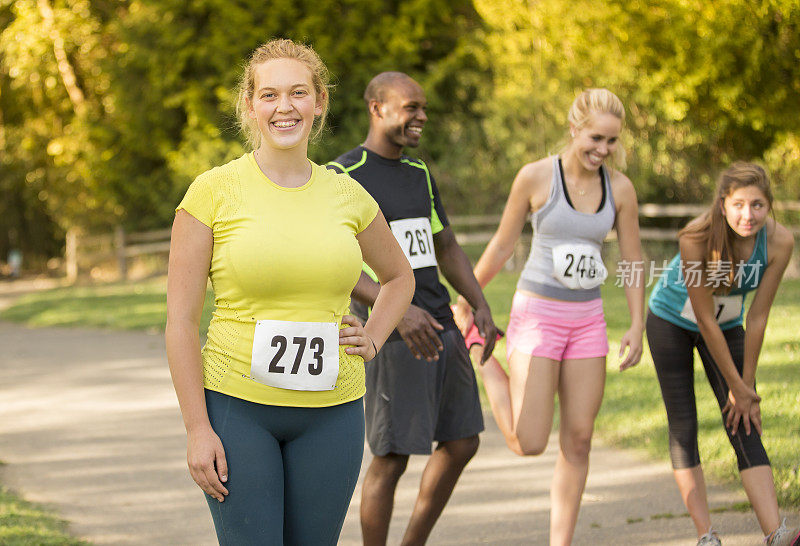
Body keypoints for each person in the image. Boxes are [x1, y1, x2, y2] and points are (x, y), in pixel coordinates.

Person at [165, 39, 414, 545]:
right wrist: (197, 429)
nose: (285, 107)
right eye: (270, 95)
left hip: (334, 412)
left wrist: (375, 336)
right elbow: (180, 323)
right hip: (238, 410)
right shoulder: (211, 192)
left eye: (298, 93)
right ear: (250, 105)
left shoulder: (347, 193)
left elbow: (399, 277)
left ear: (319, 101)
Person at [454, 88, 645, 545]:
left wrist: (637, 324)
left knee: (578, 440)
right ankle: (480, 351)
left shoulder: (619, 189)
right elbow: (502, 244)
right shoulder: (537, 177)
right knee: (529, 442)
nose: (602, 149)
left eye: (612, 141)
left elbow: (634, 260)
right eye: (595, 138)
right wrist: (469, 297)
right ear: (574, 128)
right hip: (538, 316)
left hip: (588, 321)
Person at [328, 71, 500, 546]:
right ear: (377, 108)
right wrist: (396, 310)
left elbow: (445, 247)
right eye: (410, 108)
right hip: (392, 334)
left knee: (463, 442)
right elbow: (333, 261)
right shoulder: (342, 176)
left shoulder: (419, 173)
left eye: (423, 108)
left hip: (441, 323)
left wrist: (479, 302)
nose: (421, 116)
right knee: (391, 456)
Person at [646, 162, 799, 546]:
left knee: (744, 418)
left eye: (758, 205)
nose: (748, 215)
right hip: (671, 320)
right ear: (723, 204)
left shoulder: (780, 242)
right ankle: (706, 535)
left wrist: (745, 386)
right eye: (739, 205)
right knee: (684, 424)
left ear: (769, 206)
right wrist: (735, 384)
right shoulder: (695, 238)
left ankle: (776, 533)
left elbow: (759, 315)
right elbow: (703, 320)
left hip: (729, 323)